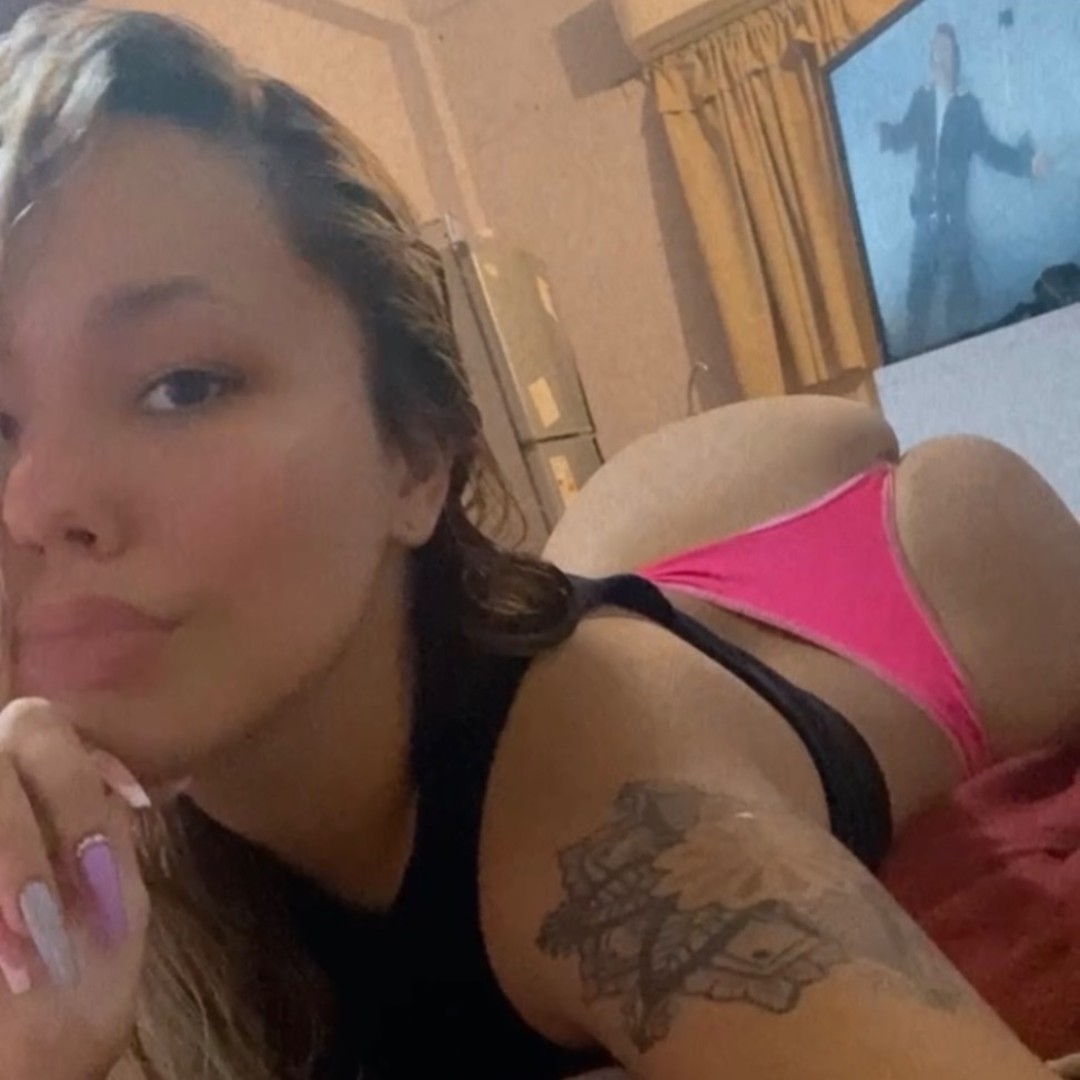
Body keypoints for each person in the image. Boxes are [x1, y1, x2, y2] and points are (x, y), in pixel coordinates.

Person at [0, 6, 1077, 1080]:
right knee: (598, 561)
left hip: (902, 585)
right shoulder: (122, 766)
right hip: (617, 554)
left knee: (927, 465)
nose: (34, 500)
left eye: (182, 385)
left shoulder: (600, 825)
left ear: (417, 453)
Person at [876, 22, 1049, 356]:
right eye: (935, 50)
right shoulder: (921, 99)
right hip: (924, 220)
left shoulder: (968, 107)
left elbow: (991, 150)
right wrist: (885, 135)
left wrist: (1027, 163)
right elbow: (905, 134)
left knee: (962, 310)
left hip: (954, 224)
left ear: (956, 57)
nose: (940, 58)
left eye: (946, 50)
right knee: (917, 308)